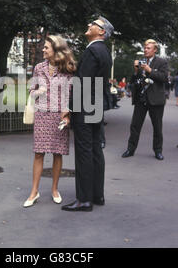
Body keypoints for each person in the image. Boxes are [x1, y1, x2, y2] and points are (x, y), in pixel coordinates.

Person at [61, 16, 114, 212]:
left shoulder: (93, 50)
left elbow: (82, 83)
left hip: (85, 106)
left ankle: (84, 199)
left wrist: (70, 107)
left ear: (101, 32)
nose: (88, 25)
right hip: (96, 105)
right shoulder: (104, 51)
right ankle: (96, 195)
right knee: (95, 150)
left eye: (93, 24)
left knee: (84, 152)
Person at [23, 35, 76, 208]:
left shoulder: (67, 69)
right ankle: (34, 191)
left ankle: (54, 189)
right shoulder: (38, 68)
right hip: (42, 114)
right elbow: (31, 90)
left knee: (57, 153)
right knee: (39, 153)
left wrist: (67, 115)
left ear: (56, 50)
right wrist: (38, 92)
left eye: (46, 47)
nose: (43, 50)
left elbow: (70, 95)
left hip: (59, 116)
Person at [122, 39, 168, 160]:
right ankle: (130, 149)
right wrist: (136, 70)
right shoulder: (141, 61)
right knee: (135, 126)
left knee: (157, 127)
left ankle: (158, 151)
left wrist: (150, 70)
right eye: (145, 47)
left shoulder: (162, 62)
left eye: (148, 48)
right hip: (141, 99)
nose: (145, 50)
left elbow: (164, 78)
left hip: (155, 99)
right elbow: (134, 81)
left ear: (155, 50)